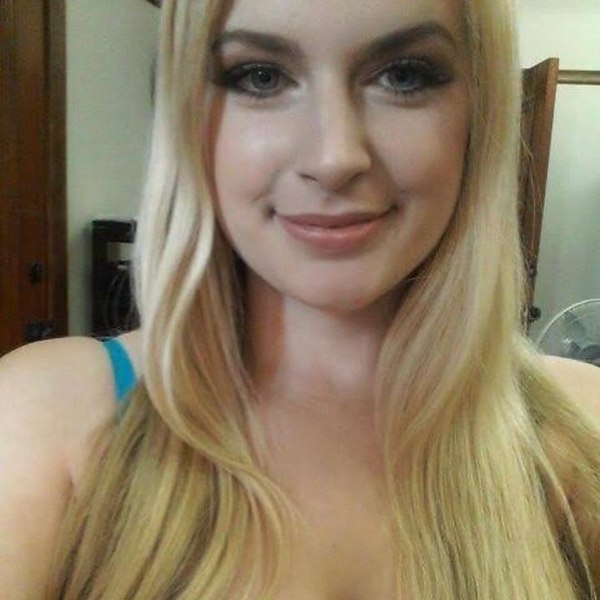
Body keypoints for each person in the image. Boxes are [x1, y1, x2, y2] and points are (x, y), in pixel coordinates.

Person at [1, 0, 599, 598]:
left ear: (479, 113)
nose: (334, 158)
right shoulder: (44, 416)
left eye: (403, 75)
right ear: (187, 115)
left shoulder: (583, 426)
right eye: (260, 77)